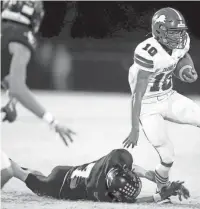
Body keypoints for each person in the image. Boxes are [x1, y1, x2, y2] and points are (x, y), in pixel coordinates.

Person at [123, 7, 200, 198]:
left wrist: (187, 68)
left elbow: (182, 56)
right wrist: (134, 129)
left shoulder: (181, 43)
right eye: (174, 32)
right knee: (167, 156)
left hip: (168, 95)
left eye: (180, 31)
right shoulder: (148, 51)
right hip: (148, 105)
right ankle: (161, 189)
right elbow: (137, 94)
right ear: (159, 30)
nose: (179, 37)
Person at [1, 0, 75, 188]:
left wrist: (11, 102)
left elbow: (9, 81)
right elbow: (17, 87)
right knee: (5, 171)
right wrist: (53, 121)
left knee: (8, 169)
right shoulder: (21, 36)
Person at [10, 148, 189, 203]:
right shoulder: (100, 191)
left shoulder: (118, 159)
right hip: (60, 186)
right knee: (21, 175)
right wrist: (161, 195)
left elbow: (132, 168)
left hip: (65, 172)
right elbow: (134, 202)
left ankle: (22, 169)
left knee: (39, 176)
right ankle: (7, 163)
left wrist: (156, 179)